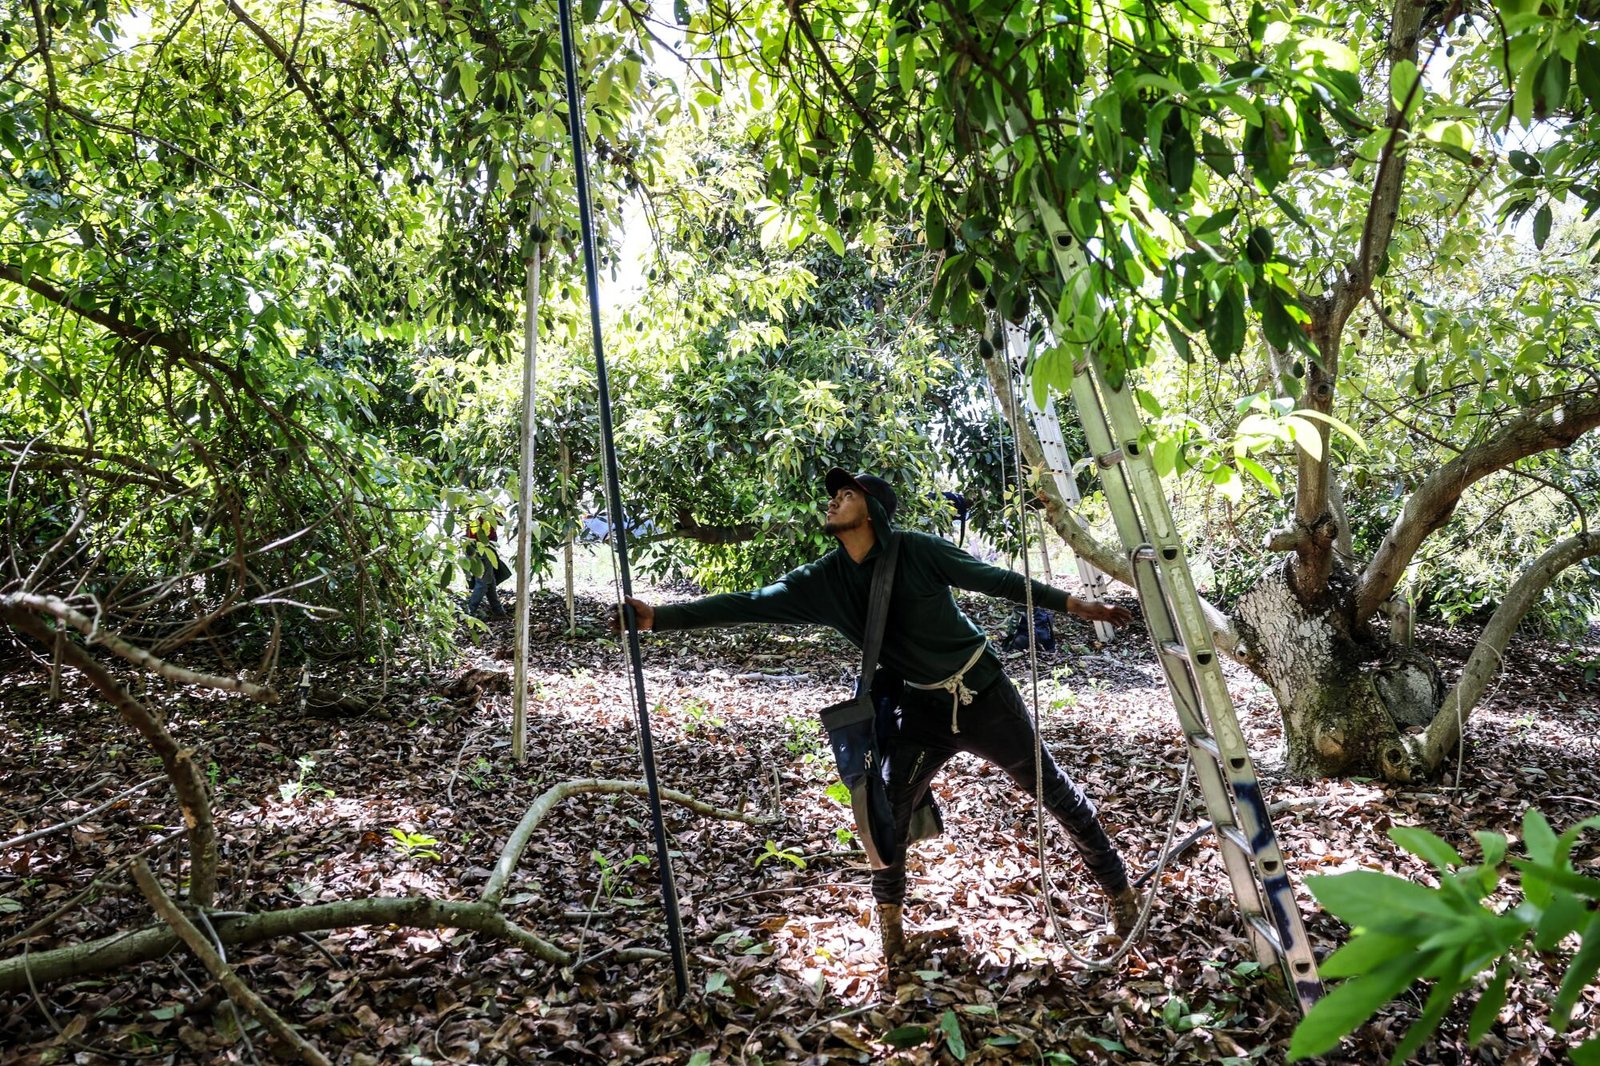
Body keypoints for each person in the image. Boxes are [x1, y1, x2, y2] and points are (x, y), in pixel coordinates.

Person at [618, 467, 1140, 966]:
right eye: (834, 495)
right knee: (884, 813)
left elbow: (998, 581)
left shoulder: (918, 551)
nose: (833, 500)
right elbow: (748, 603)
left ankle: (1118, 891)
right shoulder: (824, 580)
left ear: (873, 512)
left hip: (983, 695)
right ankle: (890, 926)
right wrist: (660, 618)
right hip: (919, 708)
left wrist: (1075, 604)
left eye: (846, 495)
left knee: (1051, 789)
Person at [464, 512, 508, 619]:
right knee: (483, 582)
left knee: (489, 580)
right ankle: (469, 612)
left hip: (474, 546)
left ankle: (498, 611)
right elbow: (501, 521)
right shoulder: (483, 509)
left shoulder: (472, 507)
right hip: (482, 547)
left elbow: (501, 521)